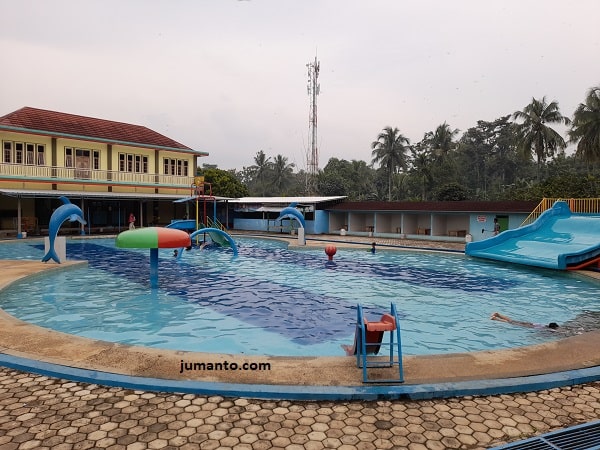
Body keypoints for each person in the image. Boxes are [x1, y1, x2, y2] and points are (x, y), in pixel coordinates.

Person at [490, 312, 559, 330]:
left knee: (511, 321)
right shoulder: (545, 328)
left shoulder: (544, 324)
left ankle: (498, 315)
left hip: (528, 323)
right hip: (527, 325)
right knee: (510, 323)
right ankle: (495, 318)